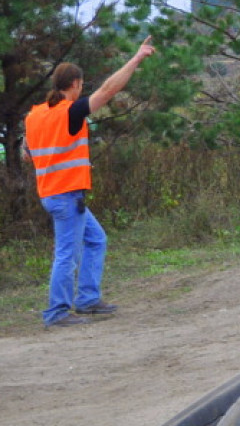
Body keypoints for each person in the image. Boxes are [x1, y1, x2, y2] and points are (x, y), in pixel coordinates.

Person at [23, 37, 156, 327]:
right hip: (66, 195)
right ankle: (57, 312)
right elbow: (109, 89)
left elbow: (26, 154)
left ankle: (87, 299)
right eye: (81, 85)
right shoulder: (69, 112)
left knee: (96, 240)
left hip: (53, 194)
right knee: (66, 254)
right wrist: (136, 58)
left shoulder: (34, 116)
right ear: (76, 85)